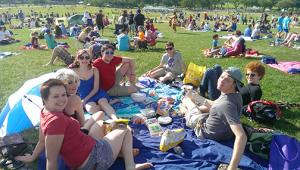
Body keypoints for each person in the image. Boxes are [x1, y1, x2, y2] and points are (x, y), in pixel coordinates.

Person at [15, 79, 153, 170]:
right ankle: (130, 166)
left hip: (86, 148)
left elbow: (41, 140)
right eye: (55, 96)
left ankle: (119, 152)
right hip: (95, 159)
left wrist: (32, 157)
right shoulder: (56, 121)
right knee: (124, 129)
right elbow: (51, 159)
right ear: (45, 99)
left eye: (63, 95)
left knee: (99, 121)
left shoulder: (44, 111)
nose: (62, 100)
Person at [182, 67, 247, 170]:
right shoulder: (235, 95)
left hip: (203, 130)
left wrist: (232, 167)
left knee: (186, 101)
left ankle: (185, 110)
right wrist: (199, 98)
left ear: (234, 85)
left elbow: (241, 136)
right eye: (221, 77)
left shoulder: (226, 105)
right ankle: (192, 108)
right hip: (220, 128)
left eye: (227, 80)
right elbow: (217, 106)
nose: (222, 80)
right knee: (198, 107)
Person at [70, 50, 118, 119]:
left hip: (97, 93)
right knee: (92, 110)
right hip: (84, 95)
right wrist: (80, 100)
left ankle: (115, 119)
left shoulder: (94, 70)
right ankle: (110, 104)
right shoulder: (73, 71)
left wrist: (84, 100)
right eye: (81, 57)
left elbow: (96, 88)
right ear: (77, 59)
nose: (84, 59)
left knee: (103, 102)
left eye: (87, 57)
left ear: (90, 59)